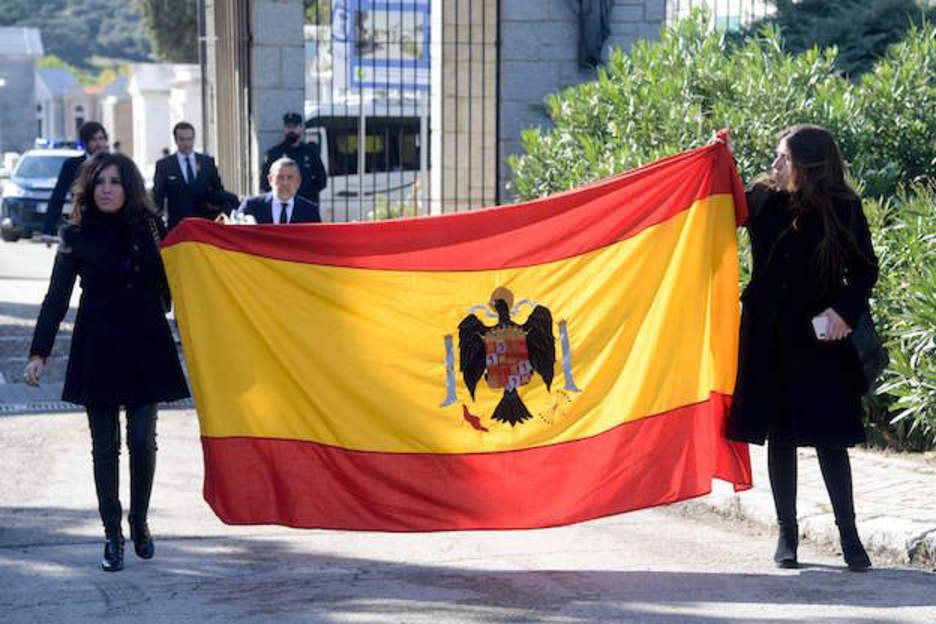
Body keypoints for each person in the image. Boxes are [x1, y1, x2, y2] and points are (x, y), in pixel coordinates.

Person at [24, 152, 190, 572]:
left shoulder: (151, 227)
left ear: (128, 187)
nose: (107, 189)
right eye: (99, 182)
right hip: (97, 345)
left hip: (146, 343)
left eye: (115, 182)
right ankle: (112, 534)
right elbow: (56, 297)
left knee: (141, 439)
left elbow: (182, 280)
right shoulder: (75, 234)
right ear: (89, 188)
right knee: (104, 446)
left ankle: (139, 519)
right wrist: (39, 353)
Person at [723, 124, 878, 572]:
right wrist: (721, 159)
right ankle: (786, 534)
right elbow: (720, 207)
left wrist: (844, 313)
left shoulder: (843, 206)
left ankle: (849, 536)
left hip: (821, 336)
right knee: (781, 435)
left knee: (831, 437)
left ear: (808, 165)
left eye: (784, 158)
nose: (774, 165)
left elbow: (865, 269)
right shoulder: (762, 199)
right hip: (768, 334)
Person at [153, 121, 232, 230]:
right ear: (176, 140)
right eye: (182, 139)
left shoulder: (207, 162)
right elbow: (158, 199)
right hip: (178, 227)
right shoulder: (165, 165)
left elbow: (219, 191)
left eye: (189, 139)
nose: (186, 143)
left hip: (205, 225)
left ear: (194, 139)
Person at [41, 121, 110, 241]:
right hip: (82, 226)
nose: (99, 144)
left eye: (101, 138)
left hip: (109, 225)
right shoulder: (72, 165)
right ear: (85, 142)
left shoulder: (113, 164)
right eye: (94, 140)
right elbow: (58, 196)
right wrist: (48, 229)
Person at [260, 112, 327, 206]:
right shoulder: (274, 154)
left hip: (304, 205)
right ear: (284, 128)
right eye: (288, 127)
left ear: (301, 128)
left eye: (294, 127)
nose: (291, 130)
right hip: (281, 205)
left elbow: (322, 181)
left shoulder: (311, 153)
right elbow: (264, 182)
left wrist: (306, 192)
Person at [237, 157, 321, 224]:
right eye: (280, 177)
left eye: (290, 178)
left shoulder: (310, 211)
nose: (285, 183)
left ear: (298, 182)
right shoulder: (252, 206)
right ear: (270, 180)